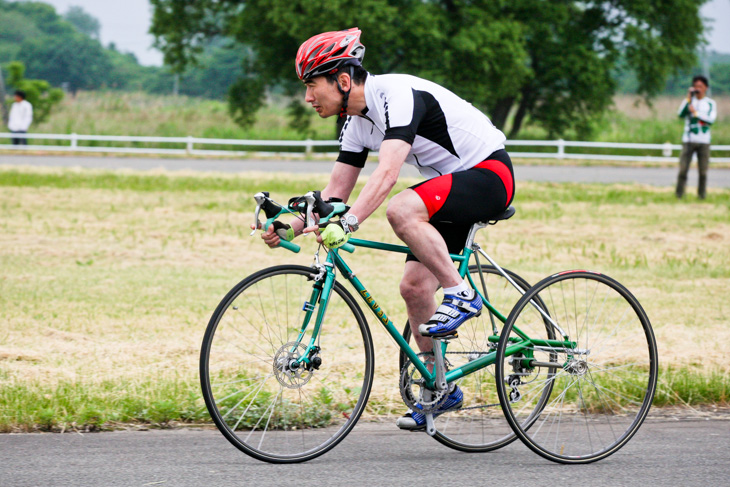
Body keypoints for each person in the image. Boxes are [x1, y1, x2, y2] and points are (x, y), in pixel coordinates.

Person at [254, 28, 515, 430]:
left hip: (488, 174)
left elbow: (389, 172)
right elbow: (335, 193)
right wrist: (289, 227)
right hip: (445, 189)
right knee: (412, 288)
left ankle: (462, 294)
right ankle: (440, 388)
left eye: (311, 85)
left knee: (401, 209)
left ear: (343, 81)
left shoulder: (397, 96)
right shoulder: (356, 123)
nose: (307, 98)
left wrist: (350, 221)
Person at [675, 75, 717, 199]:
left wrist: (696, 113)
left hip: (704, 140)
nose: (698, 89)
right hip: (688, 140)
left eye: (700, 86)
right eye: (696, 86)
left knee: (703, 171)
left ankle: (701, 195)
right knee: (683, 169)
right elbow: (680, 114)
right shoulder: (689, 101)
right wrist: (688, 99)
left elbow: (710, 120)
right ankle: (679, 194)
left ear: (705, 88)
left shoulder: (710, 103)